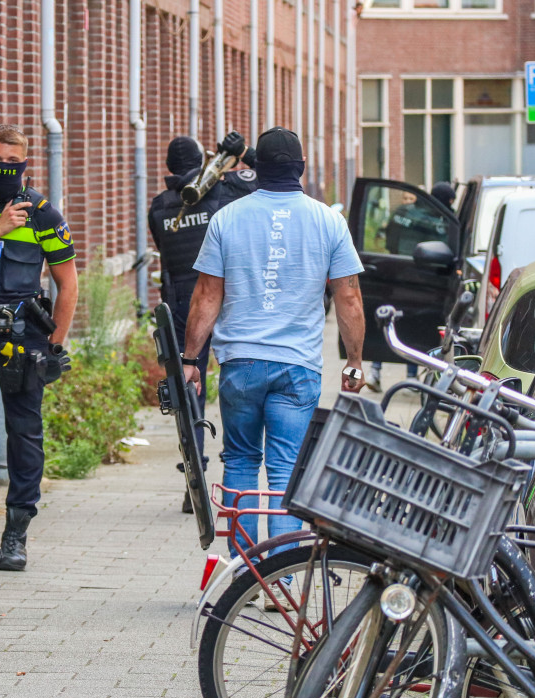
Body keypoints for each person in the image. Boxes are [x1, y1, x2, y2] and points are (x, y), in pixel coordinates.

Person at [182, 127, 366, 558]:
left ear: (255, 167)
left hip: (241, 363)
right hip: (298, 367)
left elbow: (207, 295)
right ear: (301, 169)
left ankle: (243, 573)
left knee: (242, 461)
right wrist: (354, 361)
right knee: (285, 469)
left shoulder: (227, 218)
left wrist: (191, 359)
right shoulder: (328, 220)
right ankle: (281, 574)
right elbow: (350, 296)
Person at [0, 124, 79, 572]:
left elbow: (68, 284)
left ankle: (16, 532)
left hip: (21, 328)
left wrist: (56, 345)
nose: (3, 169)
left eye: (13, 163)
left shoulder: (44, 213)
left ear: (26, 164)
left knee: (25, 431)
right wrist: (2, 227)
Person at [148, 132, 257, 513]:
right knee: (241, 379)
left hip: (182, 305)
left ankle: (194, 477)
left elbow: (166, 254)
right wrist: (242, 153)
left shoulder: (160, 206)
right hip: (229, 300)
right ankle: (240, 468)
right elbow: (274, 176)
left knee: (191, 389)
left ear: (168, 168)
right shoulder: (226, 190)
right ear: (202, 160)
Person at [369, 182, 456, 391]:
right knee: (413, 324)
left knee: (389, 322)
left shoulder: (403, 213)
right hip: (422, 280)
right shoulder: (439, 220)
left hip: (395, 273)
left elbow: (390, 240)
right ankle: (410, 377)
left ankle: (375, 371)